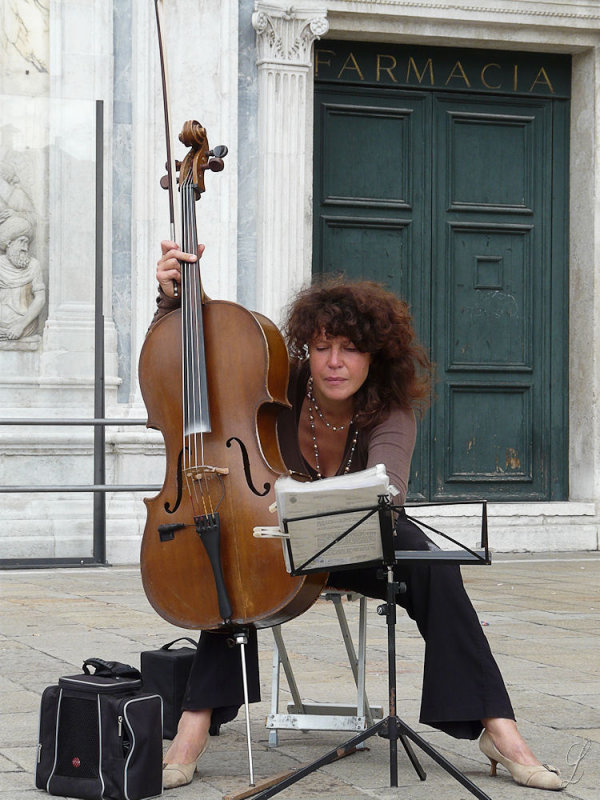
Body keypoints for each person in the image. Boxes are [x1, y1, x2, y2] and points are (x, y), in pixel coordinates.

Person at [149, 240, 565, 792]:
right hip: (275, 541)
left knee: (436, 569)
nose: (335, 362)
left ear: (374, 356)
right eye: (323, 348)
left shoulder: (388, 408)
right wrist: (181, 298)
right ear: (308, 350)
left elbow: (386, 492)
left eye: (349, 348)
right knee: (227, 554)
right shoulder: (278, 385)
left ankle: (500, 731)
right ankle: (191, 729)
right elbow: (208, 358)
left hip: (359, 540)